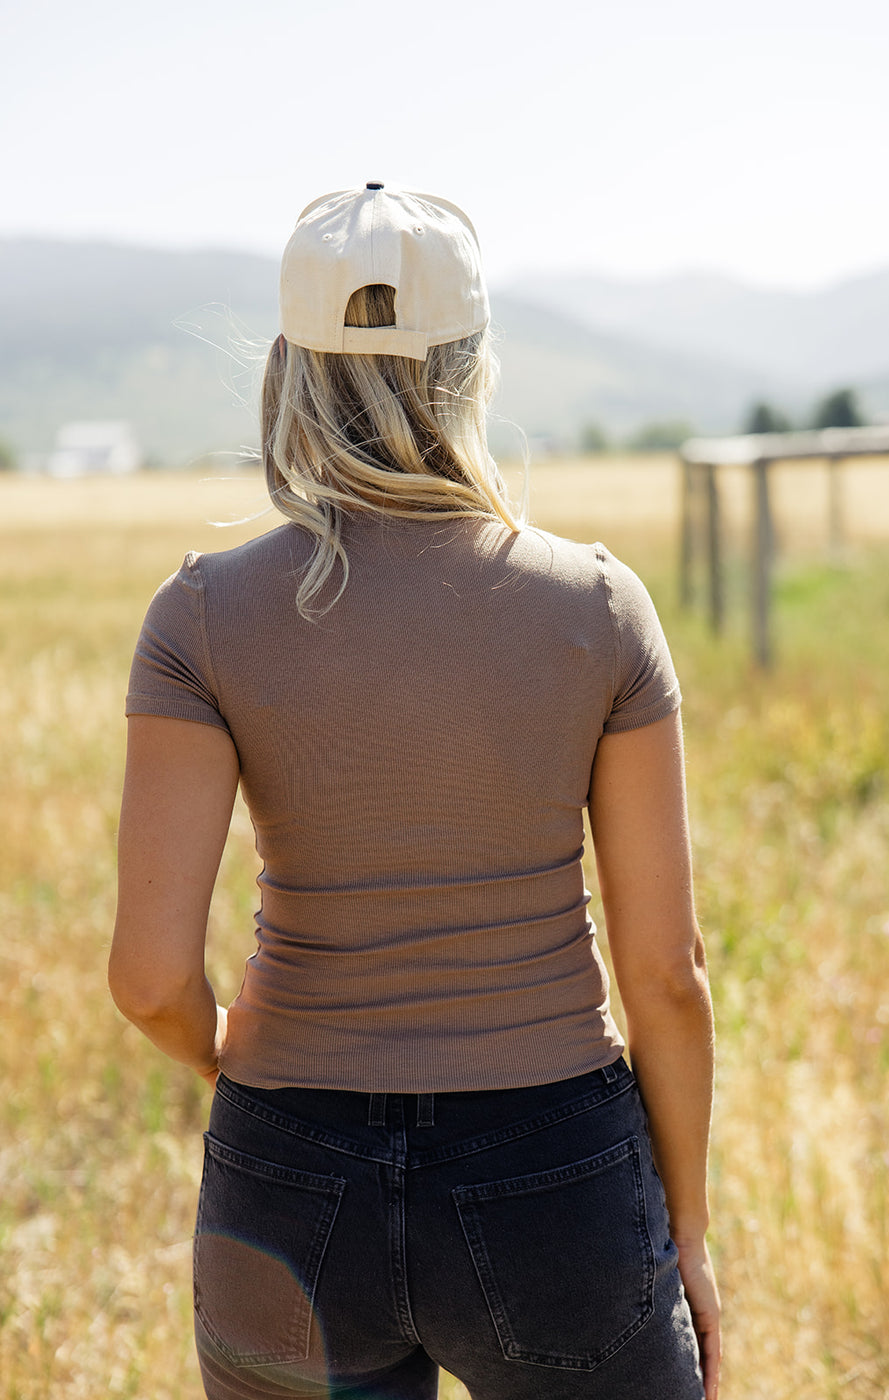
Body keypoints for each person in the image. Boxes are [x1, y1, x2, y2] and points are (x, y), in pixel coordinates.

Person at [109, 182, 720, 1400]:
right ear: (471, 365)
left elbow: (148, 979)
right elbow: (665, 973)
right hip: (555, 1165)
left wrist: (243, 1068)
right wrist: (685, 1232)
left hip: (288, 1174)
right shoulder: (596, 608)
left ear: (287, 366)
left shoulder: (199, 616)